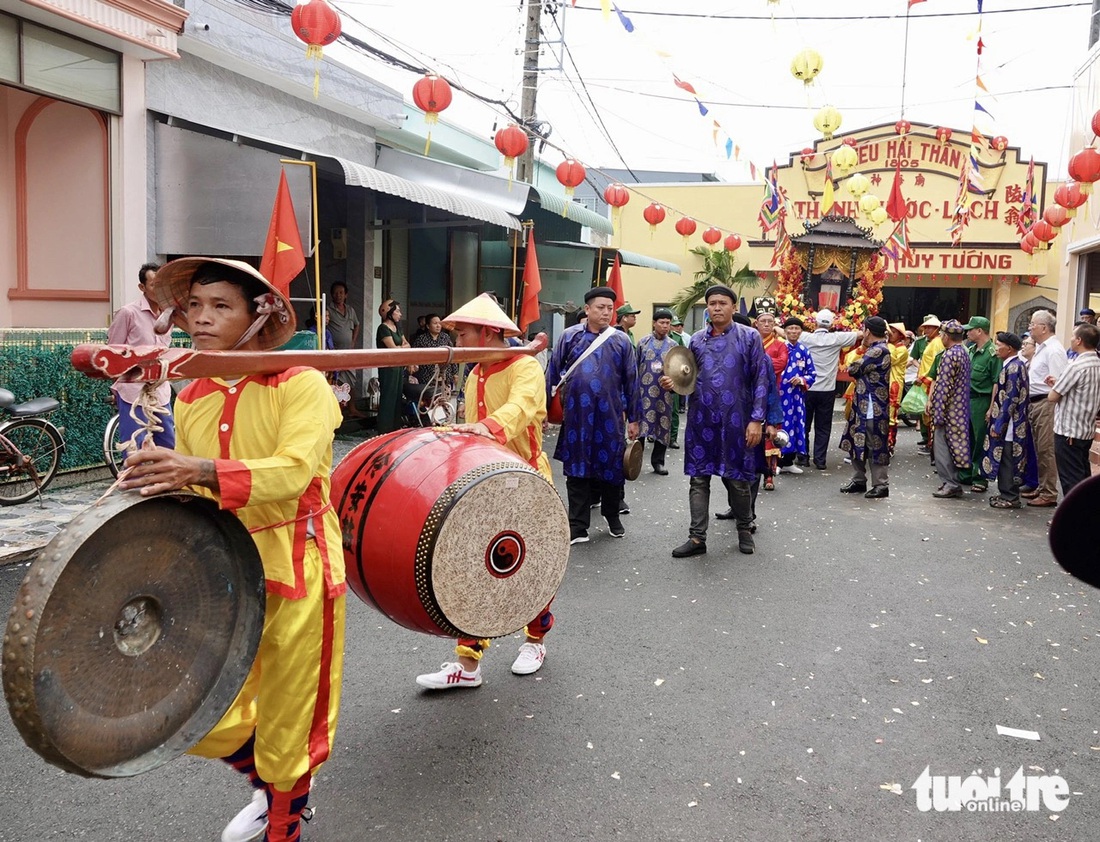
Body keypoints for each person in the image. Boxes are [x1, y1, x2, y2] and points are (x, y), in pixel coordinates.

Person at [120, 258, 345, 842]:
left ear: (258, 315)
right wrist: (160, 480)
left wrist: (197, 467)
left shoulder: (302, 382)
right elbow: (199, 488)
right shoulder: (191, 395)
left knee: (291, 716)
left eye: (221, 306)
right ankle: (274, 788)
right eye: (193, 305)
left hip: (299, 565)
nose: (201, 318)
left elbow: (295, 472)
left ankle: (284, 821)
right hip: (223, 573)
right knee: (198, 709)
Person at [415, 294, 557, 690]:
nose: (457, 340)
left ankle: (535, 640)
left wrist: (488, 428)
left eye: (462, 333)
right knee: (474, 570)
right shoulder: (476, 371)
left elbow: (522, 407)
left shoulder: (525, 367)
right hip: (485, 486)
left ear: (489, 333)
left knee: (533, 567)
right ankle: (468, 664)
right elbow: (472, 425)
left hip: (527, 481)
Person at [665, 284, 770, 558]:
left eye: (723, 303)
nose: (717, 307)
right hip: (702, 419)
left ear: (733, 307)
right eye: (712, 303)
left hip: (738, 420)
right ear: (707, 307)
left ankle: (745, 528)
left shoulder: (750, 337)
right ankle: (697, 538)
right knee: (699, 479)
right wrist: (672, 382)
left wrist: (757, 419)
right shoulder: (697, 340)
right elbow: (687, 377)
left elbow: (761, 379)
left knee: (737, 479)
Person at [547, 286, 640, 544]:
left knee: (611, 468)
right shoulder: (569, 337)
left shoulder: (621, 341)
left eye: (610, 308)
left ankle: (612, 516)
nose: (606, 312)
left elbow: (631, 381)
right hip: (577, 416)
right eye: (600, 307)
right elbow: (552, 373)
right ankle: (577, 526)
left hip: (609, 416)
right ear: (587, 309)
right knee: (576, 470)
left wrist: (634, 418)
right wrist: (543, 410)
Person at [106, 262, 176, 450]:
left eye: (162, 284)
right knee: (134, 445)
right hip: (133, 391)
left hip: (160, 390)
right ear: (142, 287)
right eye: (154, 285)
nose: (159, 290)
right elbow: (113, 351)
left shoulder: (170, 316)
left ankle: (164, 480)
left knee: (168, 443)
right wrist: (117, 385)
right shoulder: (128, 313)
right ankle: (133, 479)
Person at [839, 317, 892, 499]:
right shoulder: (875, 349)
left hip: (873, 405)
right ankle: (859, 480)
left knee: (874, 443)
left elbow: (854, 369)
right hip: (863, 404)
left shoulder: (878, 350)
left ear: (868, 331)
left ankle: (881, 484)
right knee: (856, 439)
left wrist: (857, 360)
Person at [800, 309, 860, 470]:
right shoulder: (837, 338)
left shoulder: (805, 337)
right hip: (827, 389)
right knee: (823, 426)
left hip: (807, 387)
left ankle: (803, 456)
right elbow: (861, 335)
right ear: (832, 324)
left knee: (804, 423)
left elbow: (784, 332)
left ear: (816, 322)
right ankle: (820, 460)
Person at [1049, 322, 1100, 498]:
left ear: (1079, 340)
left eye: (1072, 336)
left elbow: (1053, 397)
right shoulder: (1097, 363)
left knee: (1071, 478)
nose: (1070, 339)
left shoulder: (1077, 366)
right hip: (1085, 428)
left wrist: (1056, 387)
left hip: (1069, 429)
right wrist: (1058, 384)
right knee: (1082, 473)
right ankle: (1086, 513)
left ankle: (1074, 517)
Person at [1023, 309, 1068, 507]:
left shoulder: (1054, 350)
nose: (1030, 327)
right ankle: (1042, 487)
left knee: (1046, 449)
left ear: (1043, 327)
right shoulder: (1042, 348)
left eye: (1033, 324)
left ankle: (1049, 492)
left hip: (1046, 404)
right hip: (1036, 403)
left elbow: (1059, 383)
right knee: (1039, 448)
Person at [982, 332, 1031, 509]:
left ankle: (1010, 496)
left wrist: (999, 424)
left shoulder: (1013, 368)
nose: (996, 348)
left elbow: (1010, 399)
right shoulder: (1013, 365)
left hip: (1011, 425)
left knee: (1008, 459)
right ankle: (1006, 493)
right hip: (1010, 422)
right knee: (1005, 459)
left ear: (1009, 348)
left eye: (998, 344)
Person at [929, 319, 971, 499]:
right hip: (960, 408)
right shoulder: (963, 352)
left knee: (943, 448)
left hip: (948, 411)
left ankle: (950, 483)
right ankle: (952, 483)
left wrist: (937, 415)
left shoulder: (949, 355)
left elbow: (943, 388)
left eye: (941, 334)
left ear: (946, 336)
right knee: (955, 447)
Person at [959, 316, 1001, 493]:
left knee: (979, 440)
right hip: (967, 398)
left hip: (982, 400)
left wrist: (991, 407)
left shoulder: (992, 353)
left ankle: (980, 477)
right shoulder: (970, 349)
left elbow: (996, 382)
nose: (967, 332)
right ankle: (966, 473)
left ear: (980, 331)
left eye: (970, 329)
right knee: (965, 437)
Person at [636, 308, 677, 475]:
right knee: (640, 428)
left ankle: (658, 462)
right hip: (642, 393)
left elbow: (677, 370)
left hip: (664, 394)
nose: (665, 326)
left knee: (663, 426)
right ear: (654, 323)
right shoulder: (643, 343)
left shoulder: (674, 346)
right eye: (662, 322)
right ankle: (634, 460)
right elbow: (635, 367)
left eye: (668, 323)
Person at [776, 317, 816, 474]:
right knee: (780, 425)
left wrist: (801, 379)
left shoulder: (804, 351)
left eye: (797, 328)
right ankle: (776, 461)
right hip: (779, 395)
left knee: (796, 425)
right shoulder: (778, 347)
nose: (793, 331)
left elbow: (812, 373)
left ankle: (789, 461)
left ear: (801, 331)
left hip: (797, 397)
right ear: (784, 331)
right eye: (790, 328)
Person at [375, 299, 420, 433]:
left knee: (397, 397)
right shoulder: (383, 328)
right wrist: (402, 347)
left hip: (399, 367)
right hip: (388, 368)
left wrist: (402, 348)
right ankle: (384, 429)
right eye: (397, 311)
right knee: (388, 397)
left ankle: (395, 428)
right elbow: (393, 348)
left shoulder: (397, 328)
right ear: (389, 312)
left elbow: (407, 344)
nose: (400, 314)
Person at [754, 311, 787, 488]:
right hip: (752, 393)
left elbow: (782, 363)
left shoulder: (779, 345)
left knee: (770, 433)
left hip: (772, 391)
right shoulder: (751, 342)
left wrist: (760, 363)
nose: (766, 324)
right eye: (763, 321)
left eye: (770, 322)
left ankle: (769, 475)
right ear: (756, 324)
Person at [914, 315, 945, 454]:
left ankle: (931, 446)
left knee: (930, 415)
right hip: (925, 380)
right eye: (925, 327)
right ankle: (929, 443)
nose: (925, 329)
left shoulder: (937, 343)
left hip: (928, 382)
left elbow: (935, 365)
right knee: (926, 415)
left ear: (936, 329)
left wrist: (924, 378)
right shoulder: (931, 342)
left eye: (929, 327)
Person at [411, 313, 458, 390]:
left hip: (445, 375)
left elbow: (452, 354)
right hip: (427, 376)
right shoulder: (421, 339)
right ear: (428, 326)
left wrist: (455, 373)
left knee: (444, 398)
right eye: (435, 323)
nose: (438, 326)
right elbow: (414, 356)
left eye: (439, 323)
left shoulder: (445, 337)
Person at [885, 323, 909, 453]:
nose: (889, 334)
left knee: (891, 416)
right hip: (886, 383)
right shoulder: (892, 346)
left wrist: (886, 343)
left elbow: (891, 359)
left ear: (900, 335)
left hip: (894, 386)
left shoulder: (901, 349)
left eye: (893, 332)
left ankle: (890, 445)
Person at [669, 316, 687, 449]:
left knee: (673, 410)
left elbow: (683, 356)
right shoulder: (648, 340)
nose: (678, 327)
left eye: (679, 325)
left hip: (673, 378)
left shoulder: (677, 339)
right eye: (675, 325)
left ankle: (673, 438)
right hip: (656, 378)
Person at [327, 281, 360, 350]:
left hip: (348, 349)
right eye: (335, 293)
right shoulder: (327, 309)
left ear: (346, 295)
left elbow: (357, 325)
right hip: (333, 349)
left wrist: (353, 341)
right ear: (332, 295)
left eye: (341, 293)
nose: (338, 295)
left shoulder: (350, 310)